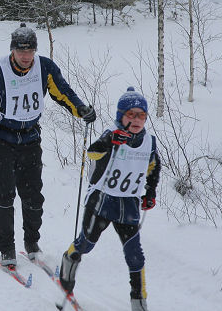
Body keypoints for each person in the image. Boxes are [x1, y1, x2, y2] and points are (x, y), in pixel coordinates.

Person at [0, 24, 96, 266]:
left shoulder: (44, 67)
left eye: (30, 51)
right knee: (6, 192)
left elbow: (62, 92)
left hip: (30, 137)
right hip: (1, 138)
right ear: (12, 51)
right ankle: (7, 248)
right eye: (21, 51)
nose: (25, 57)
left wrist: (81, 109)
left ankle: (31, 241)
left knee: (33, 195)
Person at [58, 87, 159, 311]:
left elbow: (153, 168)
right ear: (120, 116)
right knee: (86, 243)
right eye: (131, 115)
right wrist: (110, 142)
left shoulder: (149, 142)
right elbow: (92, 152)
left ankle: (139, 303)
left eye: (141, 115)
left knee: (135, 257)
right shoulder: (111, 134)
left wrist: (150, 193)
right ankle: (68, 263)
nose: (136, 120)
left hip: (128, 206)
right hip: (101, 202)